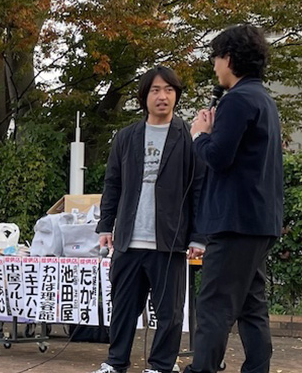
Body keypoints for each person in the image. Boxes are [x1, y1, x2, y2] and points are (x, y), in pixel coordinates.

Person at [92, 66, 205, 373]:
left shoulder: (188, 138)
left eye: (169, 90)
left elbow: (199, 189)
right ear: (144, 97)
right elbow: (112, 183)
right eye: (155, 90)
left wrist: (199, 236)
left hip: (170, 240)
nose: (162, 96)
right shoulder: (126, 137)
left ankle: (161, 366)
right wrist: (106, 225)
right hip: (128, 239)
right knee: (123, 308)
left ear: (176, 95)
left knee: (169, 312)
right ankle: (115, 362)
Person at [185, 25, 283, 373]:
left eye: (216, 58)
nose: (214, 66)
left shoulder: (237, 100)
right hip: (259, 220)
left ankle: (202, 368)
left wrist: (200, 136)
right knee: (251, 305)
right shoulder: (263, 100)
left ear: (228, 58)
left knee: (214, 304)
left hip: (234, 222)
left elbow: (219, 157)